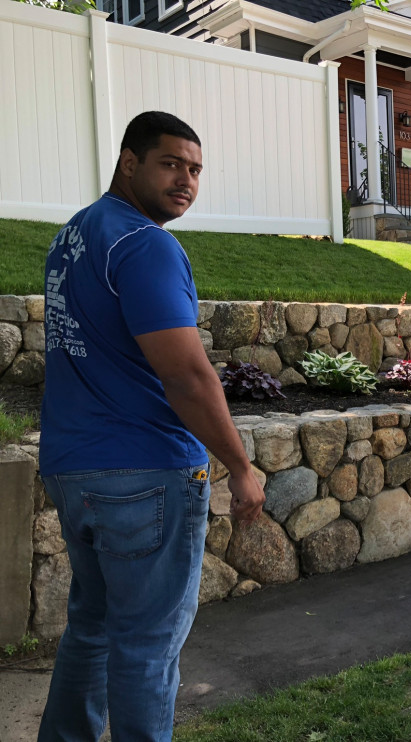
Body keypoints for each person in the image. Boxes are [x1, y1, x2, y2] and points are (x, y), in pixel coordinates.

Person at [38, 111, 265, 742]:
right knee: (146, 645)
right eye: (170, 164)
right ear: (129, 162)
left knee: (92, 627)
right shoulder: (144, 244)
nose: (186, 180)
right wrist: (241, 468)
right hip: (144, 472)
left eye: (195, 169)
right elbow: (188, 376)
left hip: (72, 469)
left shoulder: (74, 236)